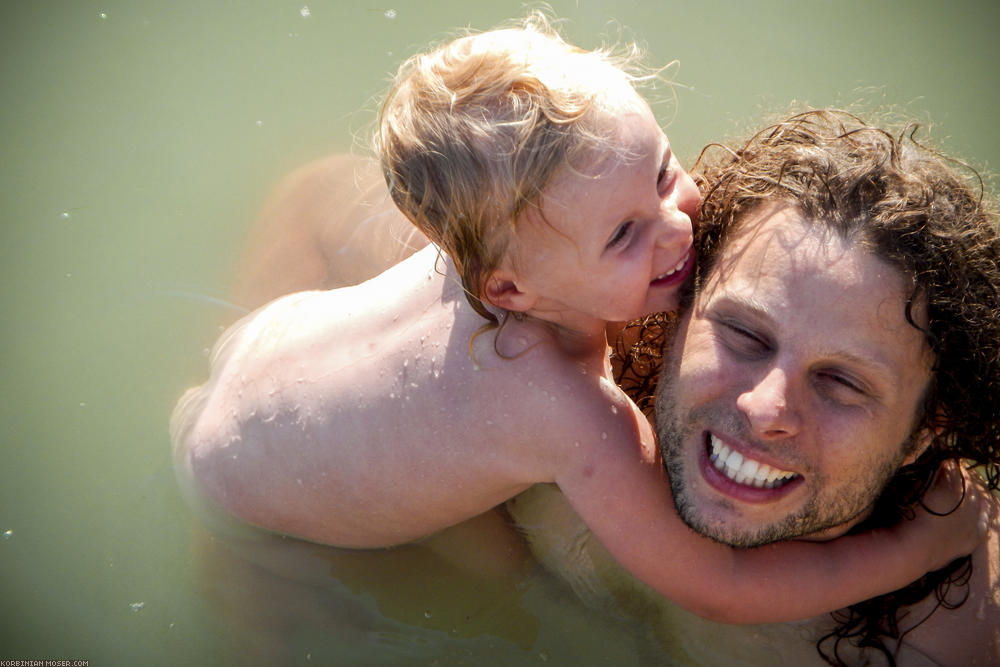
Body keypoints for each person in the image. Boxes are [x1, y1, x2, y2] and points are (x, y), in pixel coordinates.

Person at [170, 17, 984, 627]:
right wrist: (914, 547)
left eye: (663, 175)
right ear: (512, 287)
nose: (675, 227)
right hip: (247, 498)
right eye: (624, 235)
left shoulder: (490, 251)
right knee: (499, 573)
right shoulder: (567, 410)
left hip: (260, 358)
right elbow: (721, 587)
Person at [511, 109, 1000, 665]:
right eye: (744, 333)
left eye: (841, 381)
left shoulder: (946, 631)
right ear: (680, 308)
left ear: (925, 432)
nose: (766, 407)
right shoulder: (556, 360)